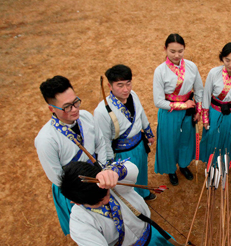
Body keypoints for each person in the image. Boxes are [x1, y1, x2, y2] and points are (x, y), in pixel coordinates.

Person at [60, 160, 183, 246]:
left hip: (150, 235)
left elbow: (132, 169)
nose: (107, 199)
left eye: (107, 193)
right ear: (75, 202)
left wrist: (114, 172)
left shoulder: (108, 181)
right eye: (99, 202)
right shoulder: (79, 222)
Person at [35, 76, 111, 235]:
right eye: (67, 107)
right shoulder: (46, 140)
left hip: (99, 177)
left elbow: (100, 143)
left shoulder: (86, 117)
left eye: (76, 102)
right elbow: (57, 177)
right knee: (89, 231)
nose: (75, 109)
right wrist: (85, 192)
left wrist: (102, 171)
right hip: (77, 191)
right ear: (52, 109)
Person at [94, 64, 156, 201]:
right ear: (110, 86)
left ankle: (144, 193)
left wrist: (148, 132)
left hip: (140, 144)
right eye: (120, 85)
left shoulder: (133, 95)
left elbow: (141, 114)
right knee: (128, 181)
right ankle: (133, 203)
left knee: (141, 172)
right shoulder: (101, 111)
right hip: (122, 152)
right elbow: (104, 140)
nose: (126, 89)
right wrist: (109, 163)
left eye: (128, 84)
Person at [153, 33, 204, 186]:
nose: (176, 55)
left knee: (185, 140)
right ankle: (170, 170)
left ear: (184, 49)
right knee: (169, 142)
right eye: (172, 51)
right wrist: (183, 105)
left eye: (180, 51)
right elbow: (158, 101)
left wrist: (198, 110)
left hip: (188, 113)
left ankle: (183, 165)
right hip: (169, 112)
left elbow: (199, 90)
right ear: (165, 49)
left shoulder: (191, 66)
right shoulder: (160, 71)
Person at [199, 42, 231, 164]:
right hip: (214, 113)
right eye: (227, 60)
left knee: (229, 139)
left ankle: (223, 165)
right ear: (222, 58)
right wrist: (205, 118)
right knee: (213, 137)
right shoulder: (213, 73)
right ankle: (210, 164)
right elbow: (206, 95)